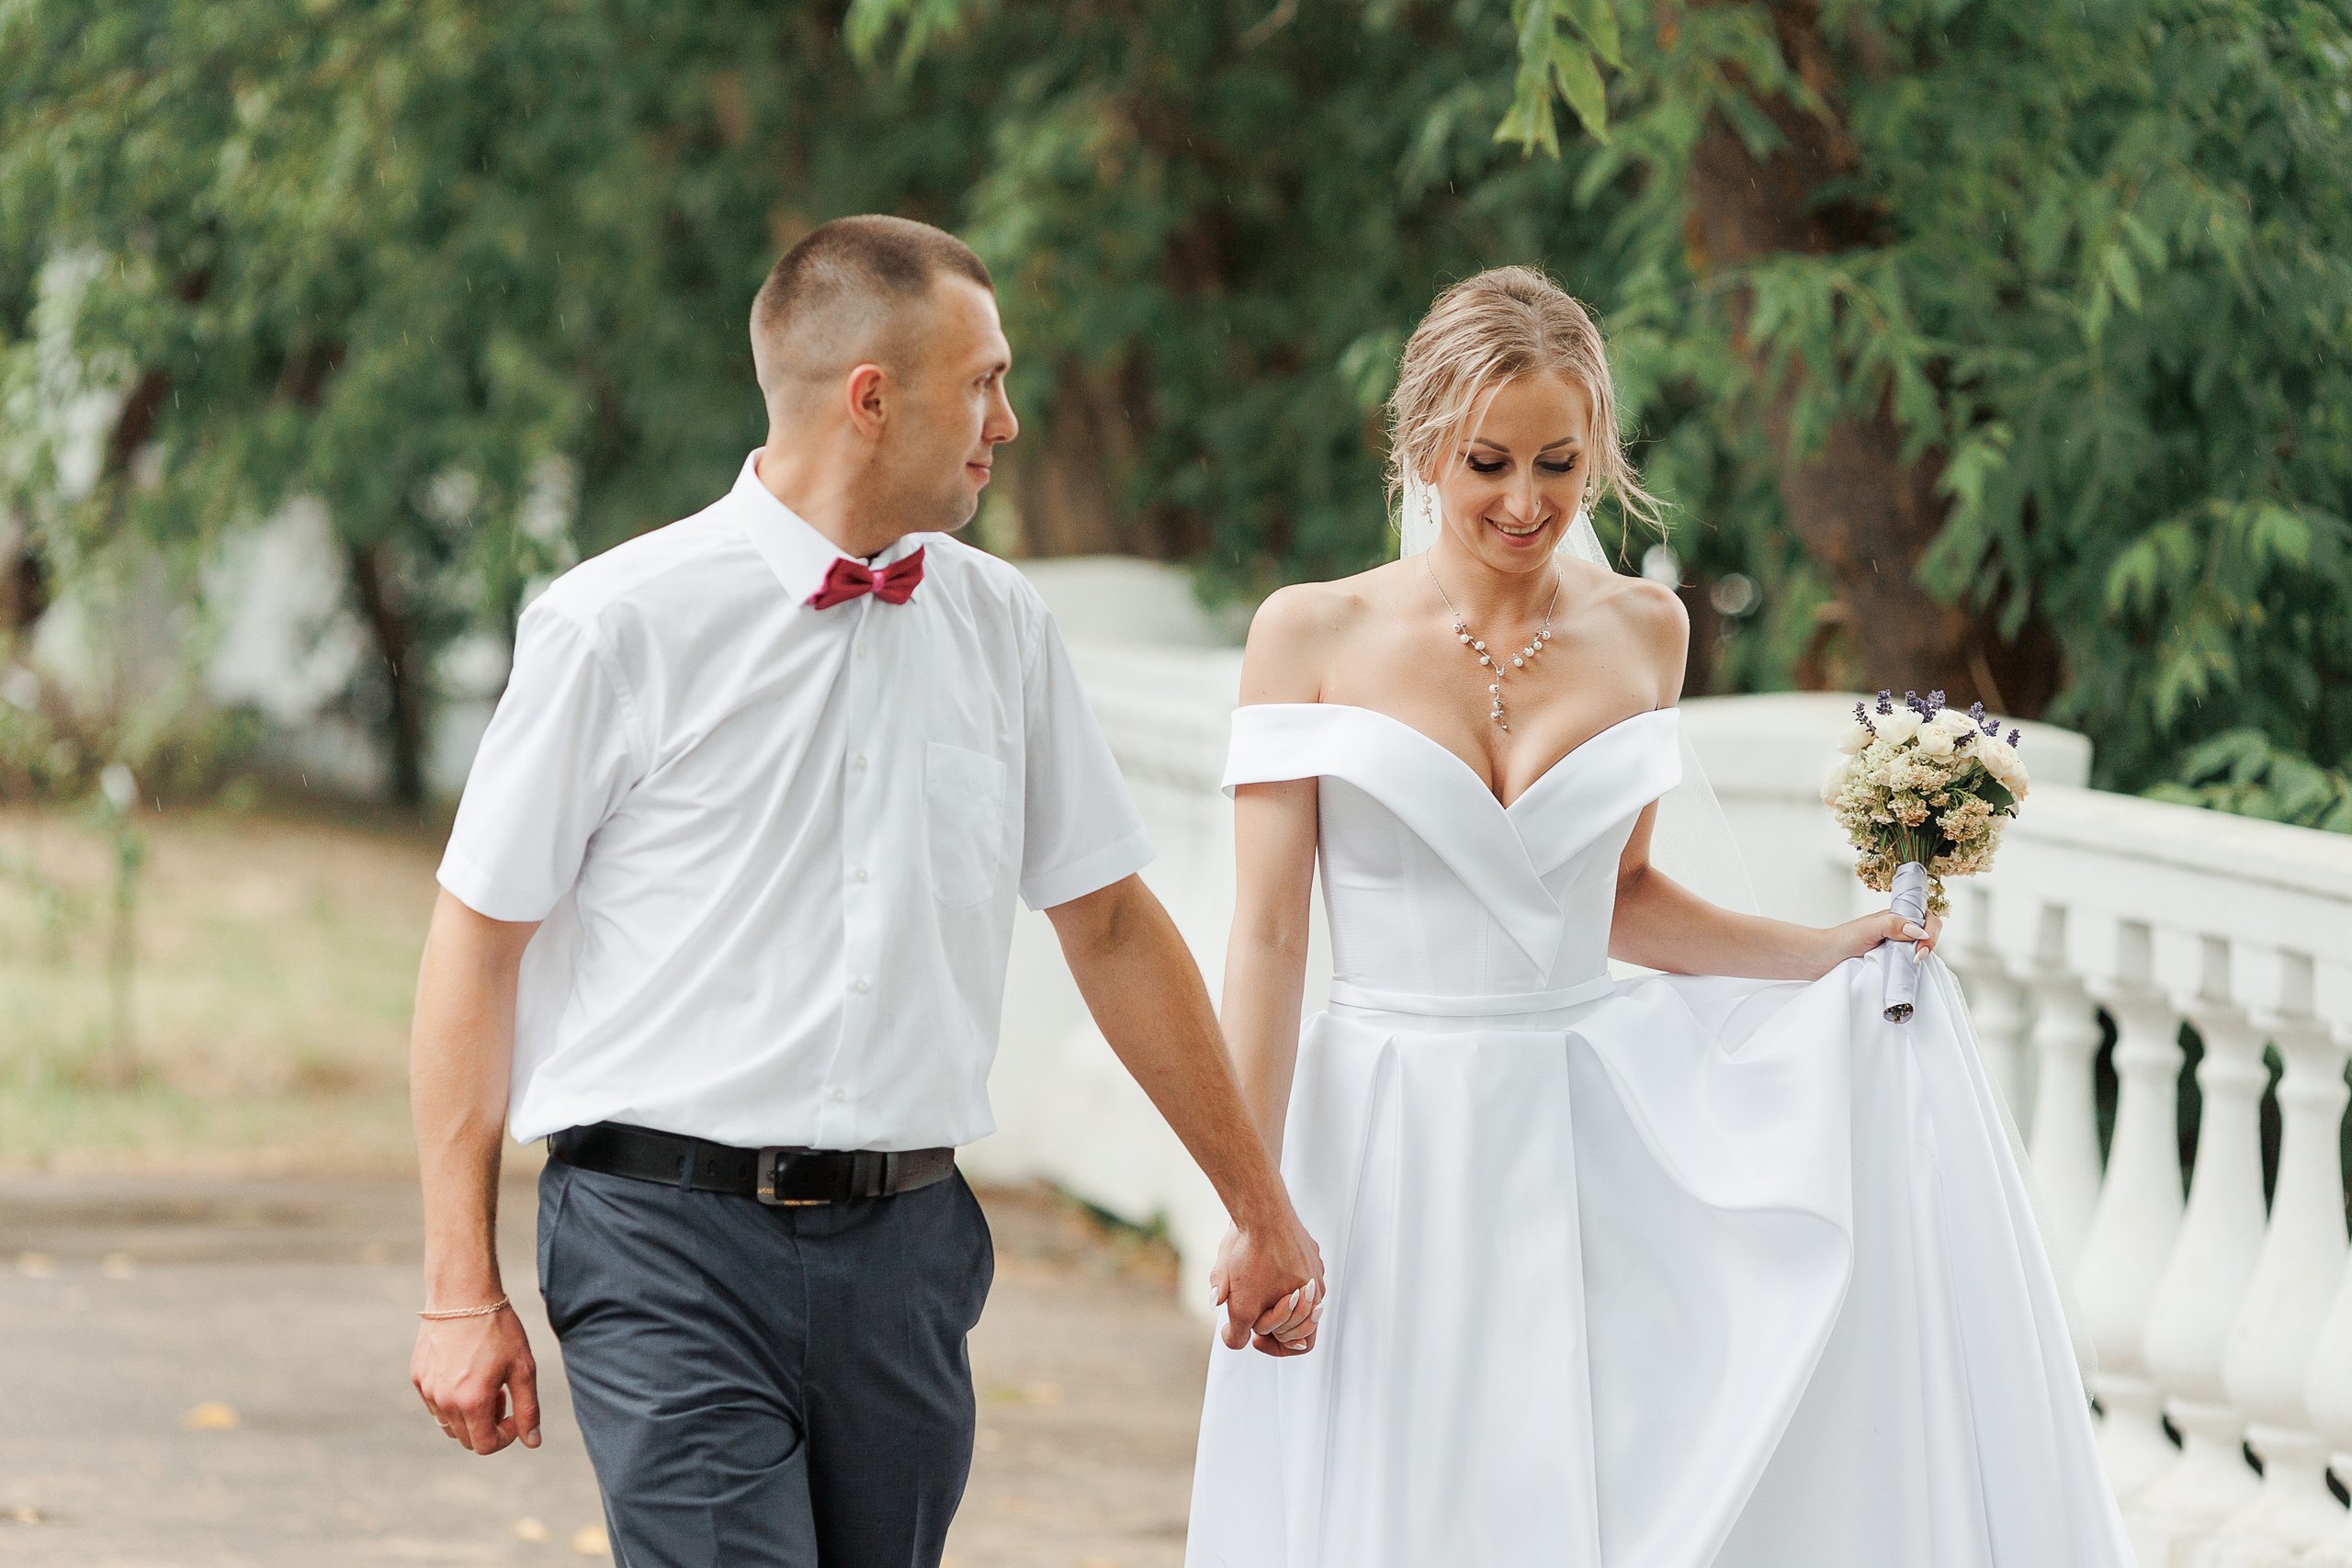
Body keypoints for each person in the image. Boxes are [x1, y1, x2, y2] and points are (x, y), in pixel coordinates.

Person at [406, 214, 1324, 1568]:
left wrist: (1257, 1201)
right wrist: (457, 1287)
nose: (1008, 421)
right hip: (663, 1242)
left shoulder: (1004, 628)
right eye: (985, 381)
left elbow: (1113, 925)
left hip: (908, 1261)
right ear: (872, 398)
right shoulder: (618, 625)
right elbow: (476, 942)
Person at [1185, 266, 2132, 1566]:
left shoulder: (1648, 631)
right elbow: (1269, 940)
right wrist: (1253, 1200)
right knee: (1399, 1488)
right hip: (1387, 1131)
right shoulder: (1307, 635)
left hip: (1589, 1130)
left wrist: (1822, 952)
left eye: (1560, 464)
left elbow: (1620, 898)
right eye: (1487, 463)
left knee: (1608, 1486)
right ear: (1422, 445)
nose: (1527, 503)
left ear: (1601, 454)